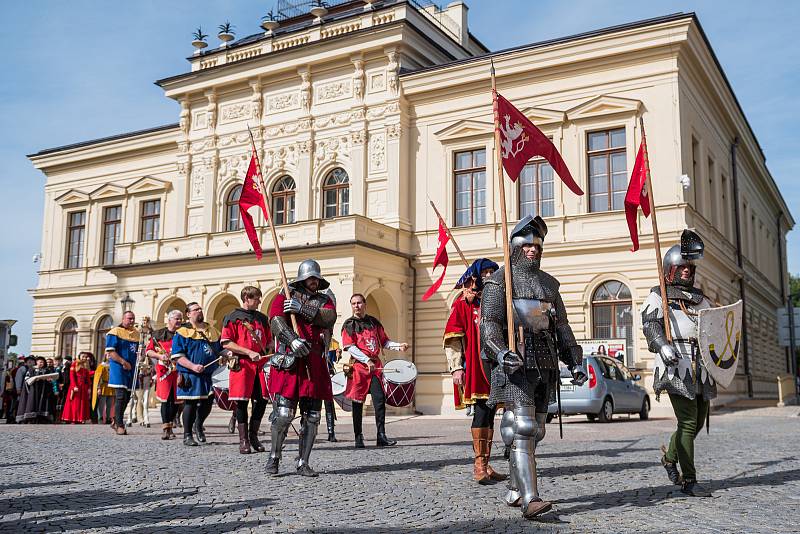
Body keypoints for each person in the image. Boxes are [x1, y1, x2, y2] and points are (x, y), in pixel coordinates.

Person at [480, 215, 587, 519]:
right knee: (525, 428)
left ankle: (515, 488)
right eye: (527, 245)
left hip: (545, 363)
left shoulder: (549, 285)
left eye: (537, 245)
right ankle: (531, 499)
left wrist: (575, 362)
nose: (533, 250)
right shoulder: (500, 282)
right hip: (516, 365)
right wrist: (500, 352)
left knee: (536, 431)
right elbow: (489, 326)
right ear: (515, 247)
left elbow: (561, 328)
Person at [642, 230, 716, 498]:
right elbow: (650, 324)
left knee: (697, 422)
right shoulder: (659, 295)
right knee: (687, 422)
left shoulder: (701, 299)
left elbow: (715, 329)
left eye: (689, 267)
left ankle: (670, 457)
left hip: (702, 367)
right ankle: (690, 480)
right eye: (681, 267)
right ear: (670, 269)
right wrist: (662, 345)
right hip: (676, 365)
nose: (686, 271)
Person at [267, 259, 337, 477]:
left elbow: (328, 317)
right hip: (291, 361)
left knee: (313, 417)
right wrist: (292, 340)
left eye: (316, 278)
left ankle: (303, 462)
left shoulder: (325, 299)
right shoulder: (285, 295)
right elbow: (276, 320)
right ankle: (274, 457)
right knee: (284, 414)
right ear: (302, 278)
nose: (313, 281)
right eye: (310, 278)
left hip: (314, 363)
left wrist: (302, 309)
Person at [444, 258, 506, 484]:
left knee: (490, 414)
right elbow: (453, 339)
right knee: (481, 412)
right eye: (486, 272)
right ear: (476, 277)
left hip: (496, 367)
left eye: (492, 271)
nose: (489, 275)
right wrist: (456, 368)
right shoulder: (464, 304)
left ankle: (486, 464)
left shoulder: (497, 302)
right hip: (475, 367)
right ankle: (478, 465)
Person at [342, 293, 409, 449]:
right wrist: (366, 360)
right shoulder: (349, 324)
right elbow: (349, 346)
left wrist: (399, 346)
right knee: (358, 404)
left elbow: (384, 341)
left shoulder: (373, 322)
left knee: (379, 401)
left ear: (365, 304)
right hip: (359, 368)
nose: (356, 306)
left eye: (359, 303)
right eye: (353, 303)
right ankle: (358, 437)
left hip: (375, 368)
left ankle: (381, 436)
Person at [221, 286, 272, 454]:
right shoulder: (233, 317)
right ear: (246, 298)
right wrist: (249, 352)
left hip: (260, 365)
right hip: (242, 364)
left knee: (262, 400)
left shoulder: (262, 319)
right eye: (256, 298)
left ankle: (253, 436)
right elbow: (227, 342)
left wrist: (270, 350)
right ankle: (243, 440)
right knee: (242, 401)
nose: (259, 301)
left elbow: (269, 341)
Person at [172, 302, 222, 446]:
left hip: (209, 374)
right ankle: (187, 435)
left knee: (207, 404)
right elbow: (177, 356)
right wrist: (193, 366)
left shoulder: (212, 331)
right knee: (190, 404)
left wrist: (228, 353)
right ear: (188, 314)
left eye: (200, 309)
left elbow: (220, 349)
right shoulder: (182, 332)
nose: (199, 311)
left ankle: (198, 425)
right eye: (196, 310)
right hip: (190, 374)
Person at [147, 309, 184, 440]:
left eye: (181, 319)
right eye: (177, 319)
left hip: (179, 369)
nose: (180, 321)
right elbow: (149, 351)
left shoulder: (183, 334)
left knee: (176, 401)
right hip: (164, 371)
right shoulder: (158, 334)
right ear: (170, 320)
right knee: (166, 400)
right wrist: (159, 356)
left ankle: (170, 425)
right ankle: (166, 428)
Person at [106, 311, 140, 435]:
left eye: (133, 319)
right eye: (129, 318)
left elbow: (137, 350)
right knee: (120, 396)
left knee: (127, 396)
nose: (132, 321)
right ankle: (120, 424)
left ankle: (116, 419)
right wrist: (123, 362)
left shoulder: (137, 334)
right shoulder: (115, 332)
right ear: (123, 319)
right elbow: (111, 352)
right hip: (118, 367)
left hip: (131, 369)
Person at [16, 356, 57, 423]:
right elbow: (26, 379)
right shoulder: (31, 369)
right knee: (33, 402)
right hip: (34, 390)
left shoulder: (46, 370)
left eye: (43, 362)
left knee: (43, 403)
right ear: (37, 362)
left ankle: (42, 418)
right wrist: (33, 379)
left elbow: (51, 380)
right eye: (40, 362)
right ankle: (32, 418)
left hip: (43, 391)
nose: (41, 363)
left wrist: (49, 380)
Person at [61, 352, 92, 424]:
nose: (84, 358)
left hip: (83, 387)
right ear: (79, 356)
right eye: (83, 356)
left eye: (85, 357)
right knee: (75, 403)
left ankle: (81, 418)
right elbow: (72, 376)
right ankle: (73, 419)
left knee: (82, 403)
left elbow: (87, 378)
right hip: (76, 386)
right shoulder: (75, 363)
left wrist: (89, 388)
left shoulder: (86, 365)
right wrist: (74, 386)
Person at [93, 354, 114, 424]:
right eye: (108, 355)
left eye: (111, 355)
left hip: (111, 386)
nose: (110, 356)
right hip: (103, 386)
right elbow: (98, 378)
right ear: (105, 356)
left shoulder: (113, 365)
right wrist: (98, 387)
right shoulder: (101, 366)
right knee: (102, 403)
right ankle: (100, 417)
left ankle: (108, 418)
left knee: (109, 404)